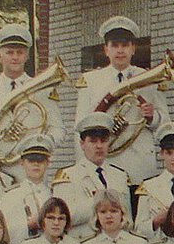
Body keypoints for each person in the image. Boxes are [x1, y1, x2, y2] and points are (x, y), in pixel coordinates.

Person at [72, 16, 168, 185]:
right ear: (106, 50)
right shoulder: (91, 80)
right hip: (104, 161)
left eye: (125, 45)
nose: (120, 51)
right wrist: (83, 164)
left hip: (139, 163)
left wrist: (152, 117)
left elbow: (165, 124)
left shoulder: (150, 77)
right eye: (114, 46)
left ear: (133, 49)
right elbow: (80, 126)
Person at [0, 24, 65, 155]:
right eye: (9, 52)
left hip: (31, 165)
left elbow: (58, 129)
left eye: (20, 52)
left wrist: (43, 145)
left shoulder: (43, 89)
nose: (15, 57)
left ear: (27, 56)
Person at [53, 113, 130, 232]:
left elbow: (128, 218)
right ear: (82, 144)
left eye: (103, 141)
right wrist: (100, 203)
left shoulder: (120, 175)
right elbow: (64, 216)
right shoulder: (68, 175)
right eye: (93, 141)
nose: (99, 146)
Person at [0, 134, 55, 244]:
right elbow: (4, 231)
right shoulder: (11, 196)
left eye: (41, 160)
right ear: (22, 163)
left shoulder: (54, 194)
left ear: (48, 163)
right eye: (31, 160)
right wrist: (28, 226)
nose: (36, 164)